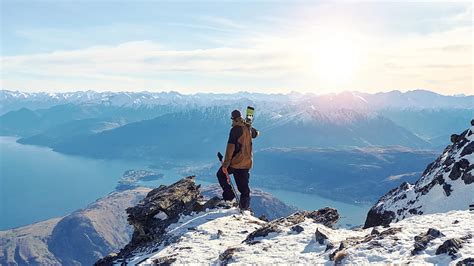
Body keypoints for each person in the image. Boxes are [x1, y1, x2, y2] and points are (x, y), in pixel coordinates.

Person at [216, 109, 258, 210]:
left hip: (236, 163)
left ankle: (229, 197)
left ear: (233, 119)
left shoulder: (235, 130)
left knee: (221, 174)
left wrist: (225, 165)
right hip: (247, 162)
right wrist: (250, 126)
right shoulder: (247, 126)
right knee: (243, 187)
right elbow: (255, 134)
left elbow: (230, 148)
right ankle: (244, 207)